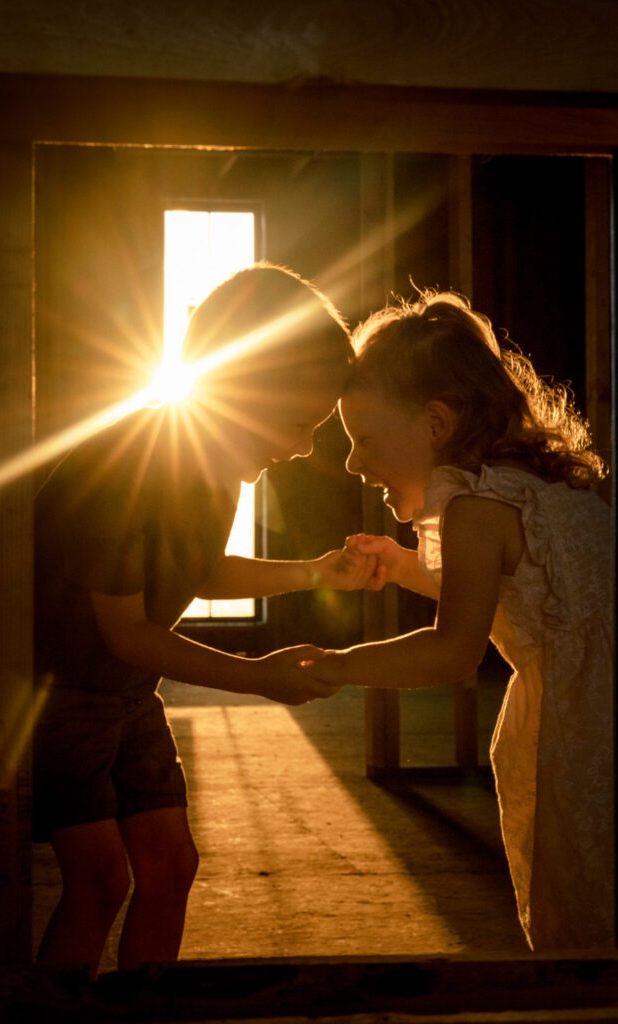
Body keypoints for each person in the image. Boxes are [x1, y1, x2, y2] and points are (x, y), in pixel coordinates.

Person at [33, 263, 378, 977]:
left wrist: (312, 571)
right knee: (101, 880)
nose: (303, 449)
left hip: (126, 692)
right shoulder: (127, 461)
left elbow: (193, 570)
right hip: (59, 697)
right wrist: (256, 674)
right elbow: (124, 631)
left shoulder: (211, 470)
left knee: (170, 865)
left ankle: (145, 1015)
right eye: (298, 424)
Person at [294, 290, 614, 951]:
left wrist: (334, 666)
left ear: (435, 423)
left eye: (362, 440)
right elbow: (508, 589)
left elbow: (450, 652)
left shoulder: (474, 512)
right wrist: (402, 564)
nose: (353, 464)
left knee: (581, 911)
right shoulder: (535, 484)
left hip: (579, 723)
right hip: (597, 698)